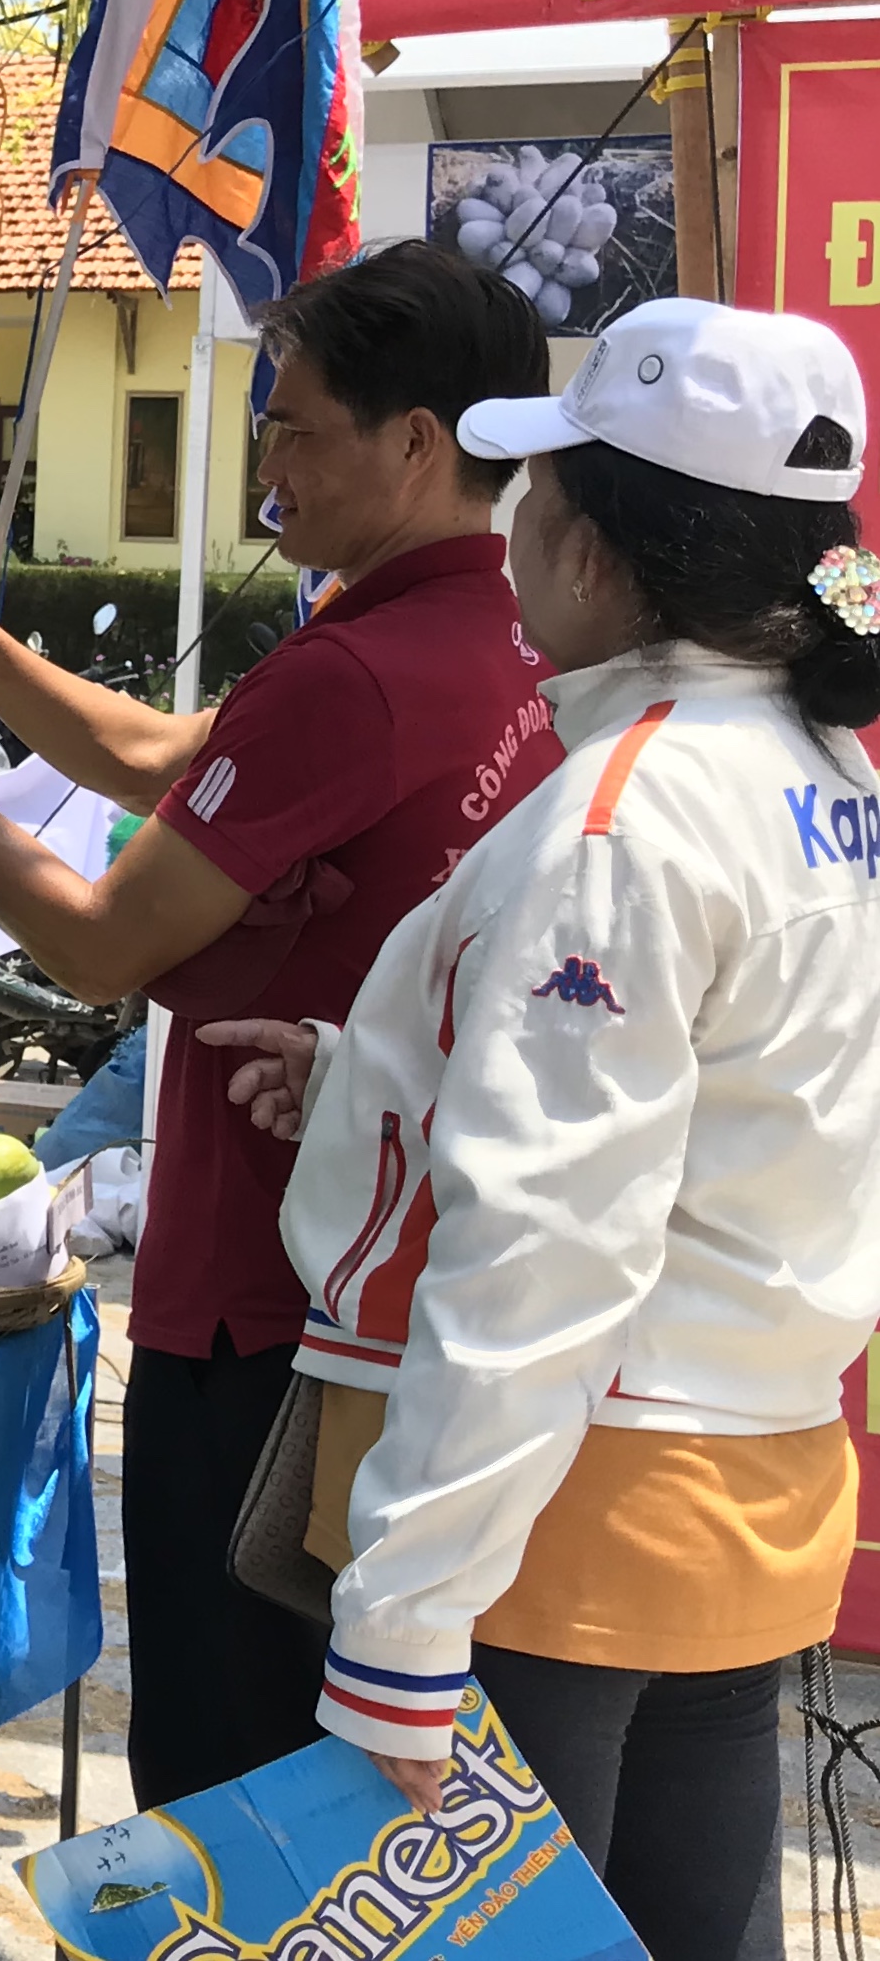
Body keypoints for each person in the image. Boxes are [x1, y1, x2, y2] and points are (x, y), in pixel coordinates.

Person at [0, 241, 564, 1808]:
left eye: (294, 426)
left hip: (271, 1296)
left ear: (415, 443)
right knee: (332, 1777)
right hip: (410, 1279)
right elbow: (167, 756)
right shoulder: (509, 642)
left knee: (225, 1767)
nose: (266, 462)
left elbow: (100, 940)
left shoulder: (360, 674)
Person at [198, 299, 880, 1959]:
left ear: (594, 545)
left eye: (531, 497)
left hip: (557, 1521)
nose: (507, 534)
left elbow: (544, 1248)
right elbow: (723, 1109)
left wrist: (403, 1634)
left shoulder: (622, 815)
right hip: (736, 1493)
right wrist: (385, 1087)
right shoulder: (821, 768)